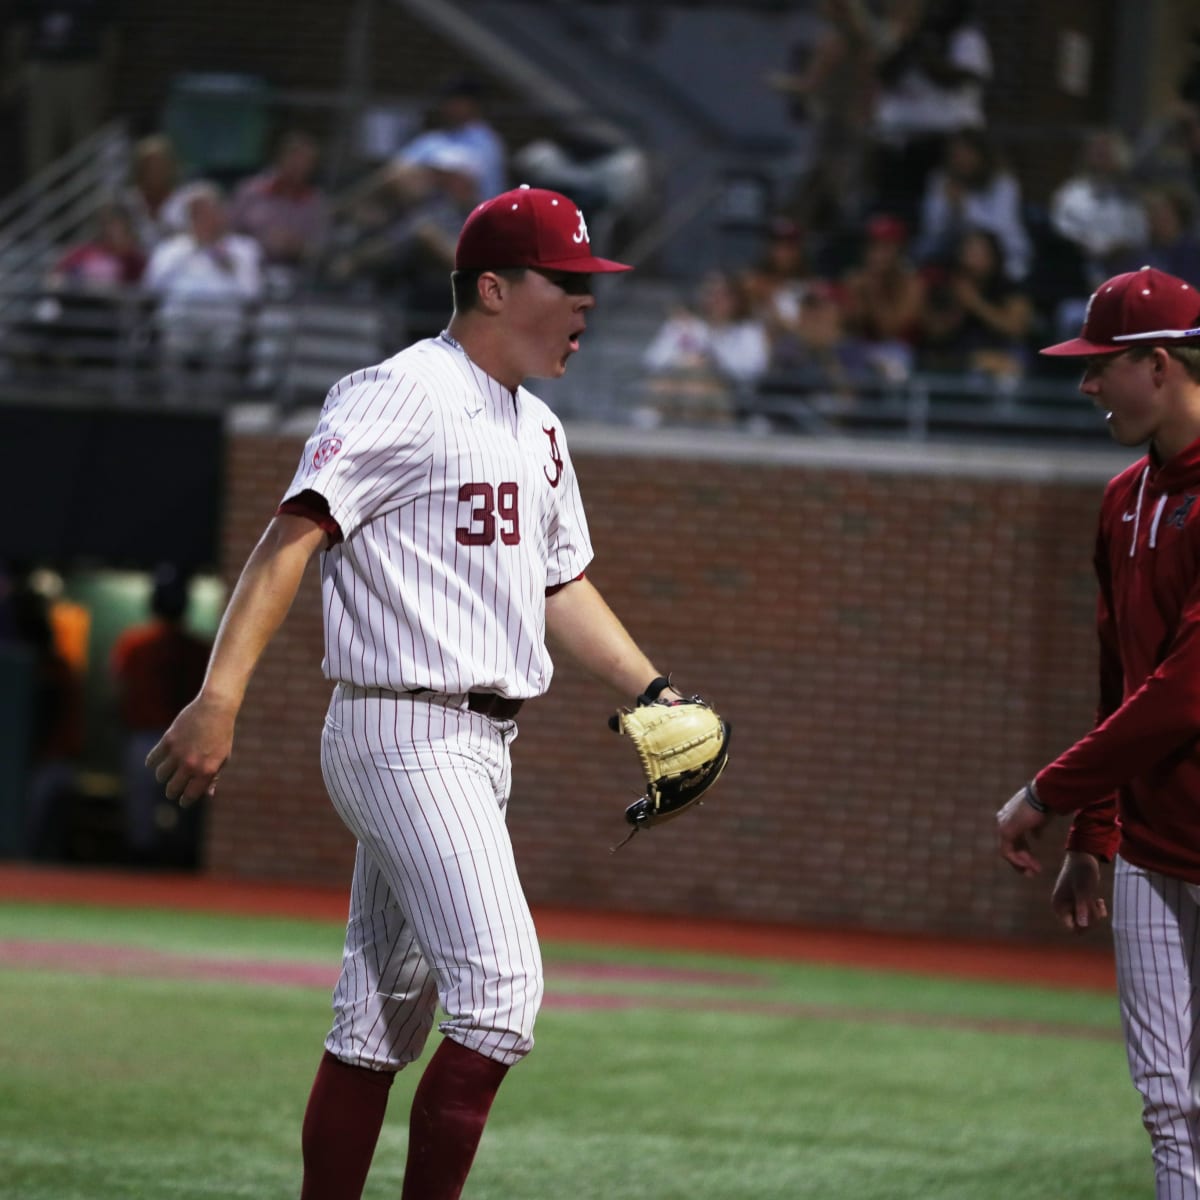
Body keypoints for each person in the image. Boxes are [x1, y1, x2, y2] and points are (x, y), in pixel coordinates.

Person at [145, 184, 701, 1200]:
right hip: (402, 724)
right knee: (499, 998)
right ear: (492, 287)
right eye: (566, 282)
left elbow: (558, 586)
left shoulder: (538, 427)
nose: (587, 303)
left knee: (379, 1021)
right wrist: (218, 696)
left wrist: (656, 692)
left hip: (475, 744)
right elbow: (290, 538)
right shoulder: (401, 390)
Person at [995, 265, 1200, 1200]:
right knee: (1168, 1104)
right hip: (1155, 847)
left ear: (1158, 366)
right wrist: (1093, 833)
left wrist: (1047, 791)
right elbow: (1120, 679)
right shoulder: (1121, 497)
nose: (1084, 386)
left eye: (1098, 367)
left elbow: (1184, 690)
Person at [110, 565, 210, 866]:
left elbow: (116, 694)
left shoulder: (134, 643)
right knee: (184, 817)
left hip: (146, 740)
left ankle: (143, 878)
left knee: (143, 822)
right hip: (186, 742)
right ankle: (174, 877)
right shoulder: (199, 648)